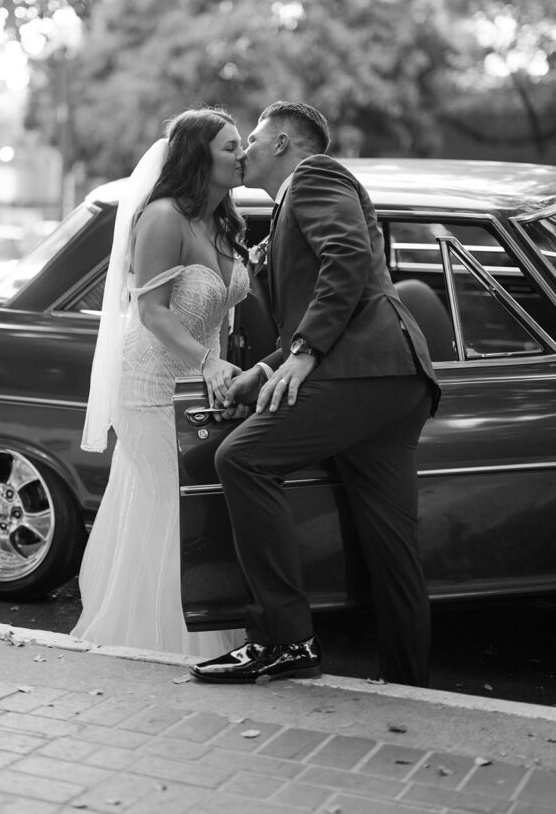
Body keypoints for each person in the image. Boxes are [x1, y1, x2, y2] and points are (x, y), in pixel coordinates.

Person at [191, 101, 441, 687]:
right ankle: (409, 688)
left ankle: (284, 640)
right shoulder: (289, 206)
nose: (245, 150)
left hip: (363, 371)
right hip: (391, 377)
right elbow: (320, 301)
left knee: (242, 459)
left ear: (281, 142)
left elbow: (347, 261)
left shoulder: (315, 174)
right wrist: (270, 367)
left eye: (251, 138)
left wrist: (300, 355)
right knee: (392, 546)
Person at [72, 107, 249, 656]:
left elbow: (224, 300)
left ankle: (188, 623)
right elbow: (151, 310)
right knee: (168, 502)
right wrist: (209, 362)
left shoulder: (223, 221)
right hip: (151, 383)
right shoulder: (163, 217)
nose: (242, 155)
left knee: (187, 504)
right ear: (199, 156)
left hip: (200, 387)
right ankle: (163, 641)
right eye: (230, 146)